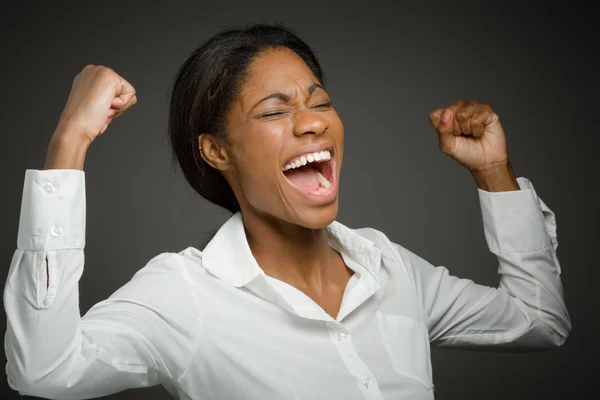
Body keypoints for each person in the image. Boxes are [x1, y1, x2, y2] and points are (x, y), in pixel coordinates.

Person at [4, 24, 570, 400]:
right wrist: (70, 140)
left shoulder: (390, 268)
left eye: (320, 101)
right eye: (276, 111)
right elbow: (43, 369)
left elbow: (540, 321)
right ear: (217, 151)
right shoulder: (185, 296)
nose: (313, 121)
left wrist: (493, 172)